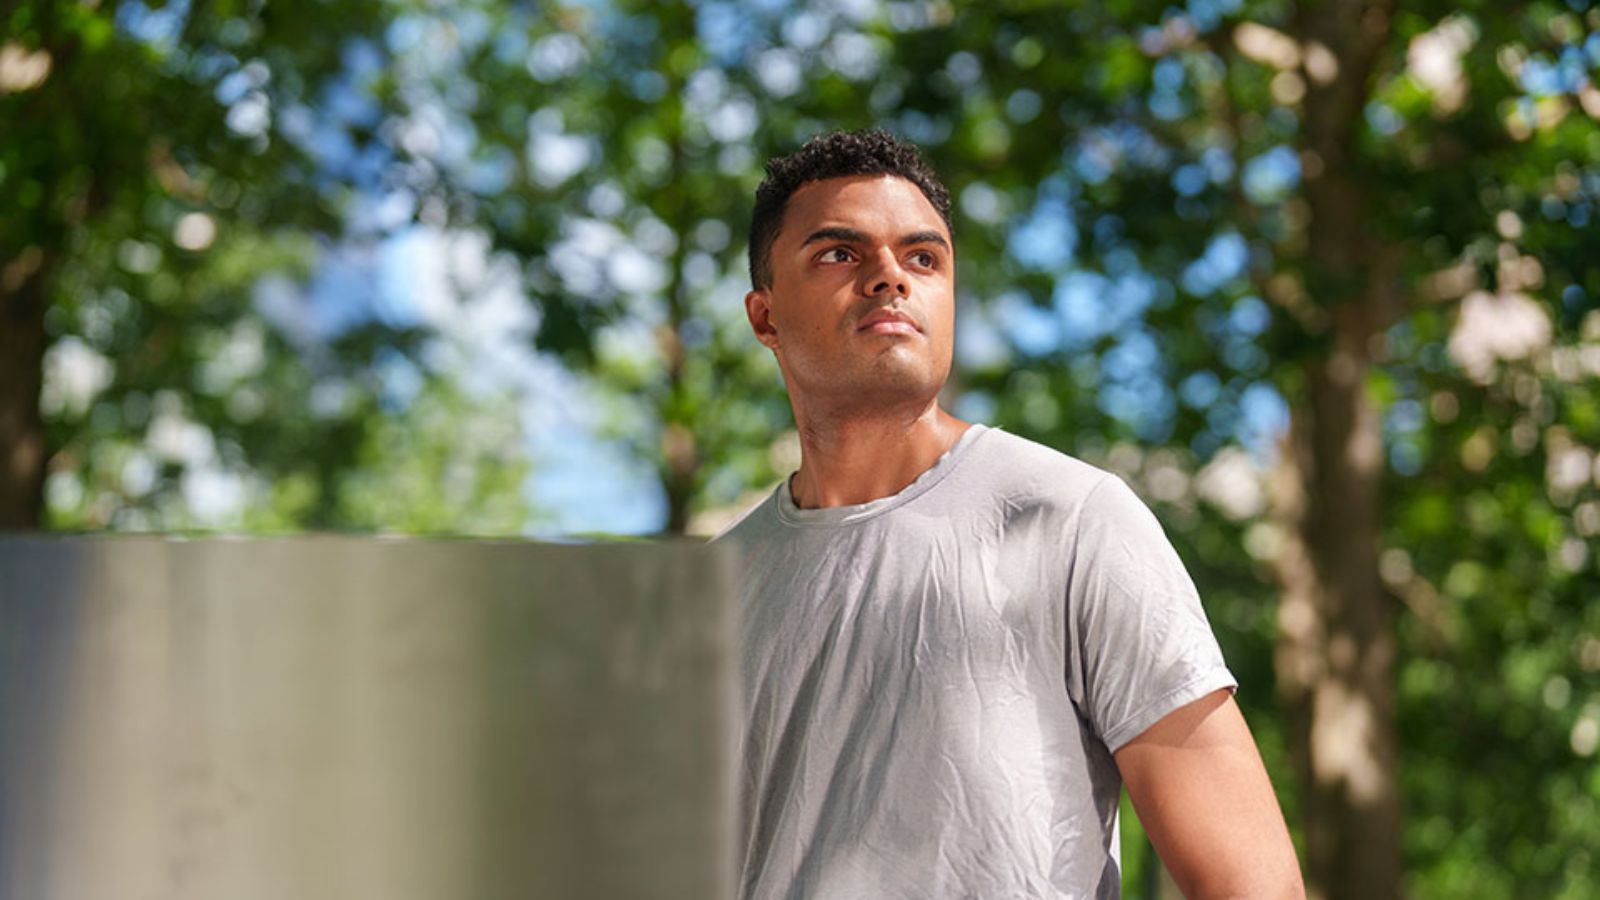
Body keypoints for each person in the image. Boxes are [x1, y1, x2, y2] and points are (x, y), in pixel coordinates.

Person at [714, 129, 1304, 899]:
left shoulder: (1071, 521)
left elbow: (1253, 885)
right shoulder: (712, 593)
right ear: (765, 317)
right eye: (839, 254)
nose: (890, 277)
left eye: (923, 258)